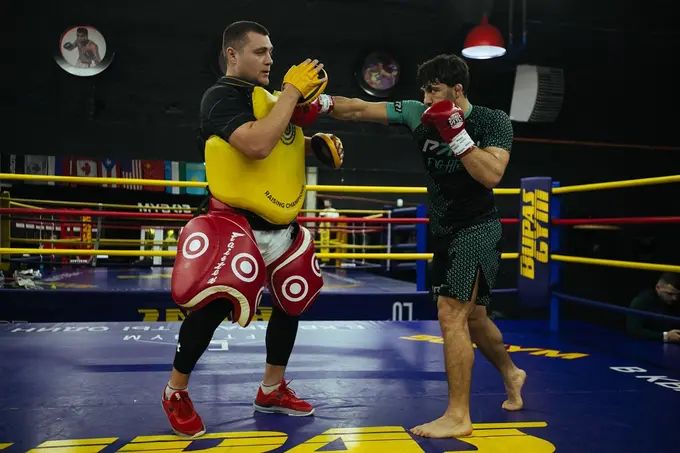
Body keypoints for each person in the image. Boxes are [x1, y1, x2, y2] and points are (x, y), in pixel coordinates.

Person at [300, 53, 526, 438]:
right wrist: (313, 103)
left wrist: (458, 136)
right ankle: (511, 371)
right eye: (423, 89)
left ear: (457, 91)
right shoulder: (415, 113)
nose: (425, 97)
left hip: (478, 228)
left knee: (451, 313)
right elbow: (359, 109)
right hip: (444, 230)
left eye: (433, 89)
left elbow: (491, 175)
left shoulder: (492, 121)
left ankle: (458, 416)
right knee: (474, 318)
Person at [161, 21, 344, 438]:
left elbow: (277, 144)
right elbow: (256, 143)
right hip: (235, 224)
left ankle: (271, 388)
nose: (270, 59)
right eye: (260, 51)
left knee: (290, 301)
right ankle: (175, 391)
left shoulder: (273, 100)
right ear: (232, 54)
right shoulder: (221, 97)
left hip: (281, 224)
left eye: (271, 51)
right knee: (210, 309)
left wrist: (310, 144)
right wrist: (294, 93)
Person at [626, 272, 680, 343]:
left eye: (677, 294)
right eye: (669, 294)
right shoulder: (643, 300)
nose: (674, 298)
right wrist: (665, 336)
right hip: (644, 346)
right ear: (658, 288)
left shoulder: (675, 302)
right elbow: (633, 330)